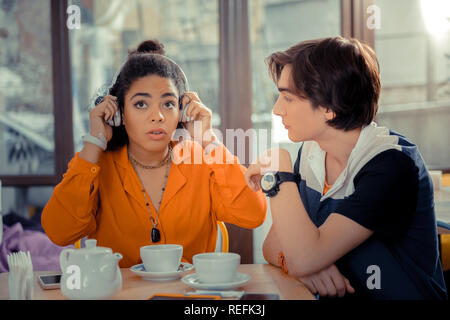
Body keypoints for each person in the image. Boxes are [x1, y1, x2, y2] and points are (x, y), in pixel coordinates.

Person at [245, 37, 447, 299]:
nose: (277, 109)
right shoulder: (312, 152)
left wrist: (278, 168)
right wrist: (301, 267)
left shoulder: (390, 165)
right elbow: (272, 245)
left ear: (329, 107)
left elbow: (303, 256)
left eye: (288, 98)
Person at [42, 40, 267, 268]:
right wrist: (94, 143)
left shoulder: (202, 161)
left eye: (168, 104)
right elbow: (59, 232)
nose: (157, 116)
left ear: (182, 112)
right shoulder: (97, 166)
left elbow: (254, 214)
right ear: (119, 113)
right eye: (141, 104)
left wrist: (208, 139)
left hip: (189, 295)